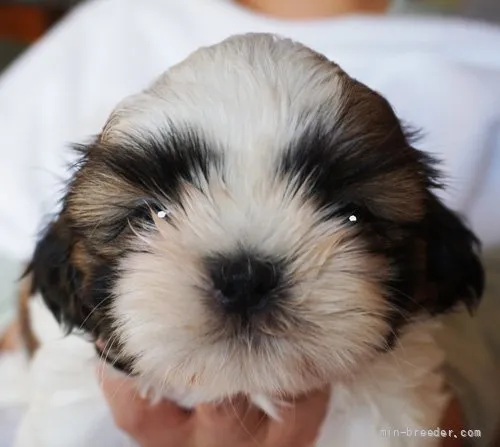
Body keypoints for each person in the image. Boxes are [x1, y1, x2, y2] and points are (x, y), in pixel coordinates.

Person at [1, 0, 500, 446]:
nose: (244, 282)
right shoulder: (108, 27)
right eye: (151, 217)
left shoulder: (477, 58)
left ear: (429, 262)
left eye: (350, 218)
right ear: (71, 269)